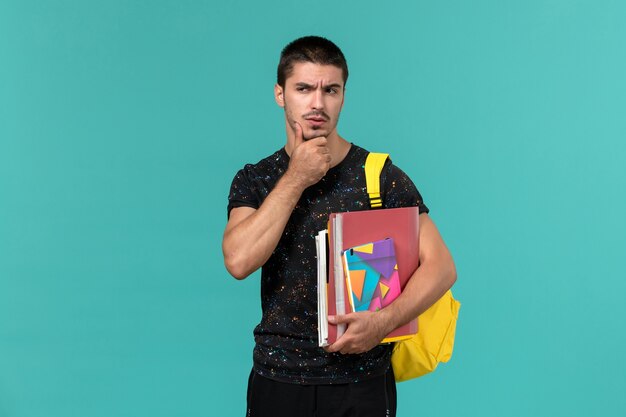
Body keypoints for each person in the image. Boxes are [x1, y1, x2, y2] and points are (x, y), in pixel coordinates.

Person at [222, 36, 456, 417]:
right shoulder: (257, 179)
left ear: (343, 95)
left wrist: (382, 323)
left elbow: (442, 267)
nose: (317, 103)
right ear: (280, 94)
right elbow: (239, 261)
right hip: (278, 380)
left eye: (330, 89)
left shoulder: (380, 176)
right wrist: (297, 177)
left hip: (361, 383)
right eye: (303, 88)